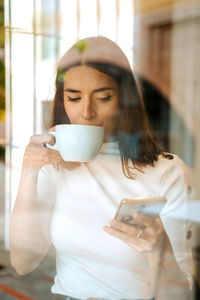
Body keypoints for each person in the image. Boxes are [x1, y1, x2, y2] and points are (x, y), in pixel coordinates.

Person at [10, 36, 192, 300]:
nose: (86, 112)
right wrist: (29, 173)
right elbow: (22, 263)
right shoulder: (56, 166)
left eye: (104, 97)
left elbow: (181, 294)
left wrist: (159, 251)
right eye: (74, 97)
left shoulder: (167, 170)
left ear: (124, 99)